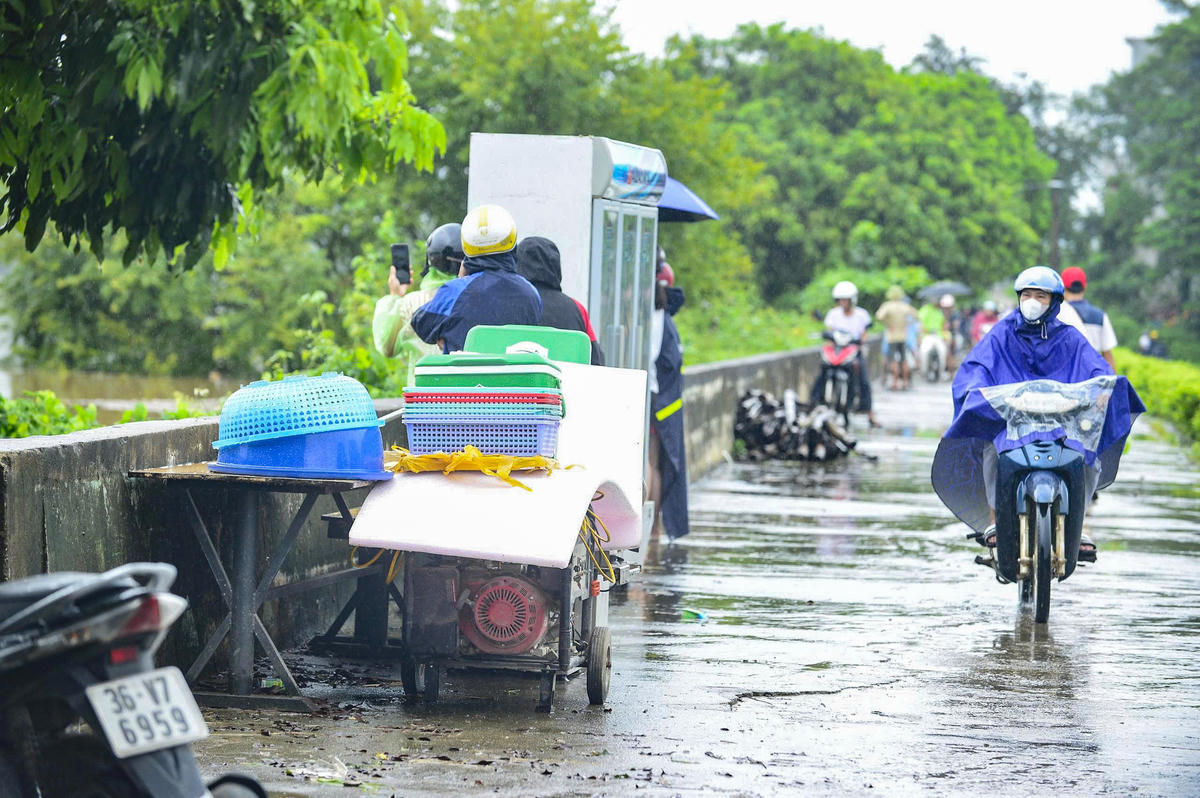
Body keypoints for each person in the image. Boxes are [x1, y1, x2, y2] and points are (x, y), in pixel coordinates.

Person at [952, 266, 1113, 554]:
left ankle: (1079, 524)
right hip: (1013, 419)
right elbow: (978, 366)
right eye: (1027, 295)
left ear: (1054, 302)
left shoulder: (1070, 338)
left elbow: (1096, 368)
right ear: (1018, 297)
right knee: (992, 448)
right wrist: (975, 389)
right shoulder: (1002, 333)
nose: (1032, 301)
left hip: (1062, 423)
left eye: (1041, 296)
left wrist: (1103, 390)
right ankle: (995, 520)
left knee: (1089, 456)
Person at [411, 204, 542, 353]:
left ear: (466, 245)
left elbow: (421, 323)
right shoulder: (531, 293)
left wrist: (461, 280)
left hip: (464, 369)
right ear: (512, 241)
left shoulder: (455, 291)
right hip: (515, 369)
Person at [372, 223, 462, 384]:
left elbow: (387, 346)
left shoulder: (411, 303)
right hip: (466, 394)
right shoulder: (474, 297)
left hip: (423, 395)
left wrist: (394, 295)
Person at [647, 255, 689, 540]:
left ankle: (645, 531)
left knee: (649, 464)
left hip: (647, 397)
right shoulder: (665, 318)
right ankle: (653, 531)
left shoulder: (643, 315)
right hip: (661, 401)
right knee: (657, 465)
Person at [514, 236, 604, 365]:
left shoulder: (510, 303)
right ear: (555, 267)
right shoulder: (577, 308)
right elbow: (596, 359)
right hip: (566, 377)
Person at [822, 280, 878, 426]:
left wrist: (860, 343)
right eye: (840, 299)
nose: (843, 302)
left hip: (853, 351)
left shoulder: (861, 314)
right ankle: (817, 403)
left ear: (852, 300)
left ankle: (870, 414)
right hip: (838, 352)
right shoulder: (833, 314)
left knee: (864, 381)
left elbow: (864, 334)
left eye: (845, 299)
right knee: (822, 372)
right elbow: (829, 333)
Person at [1060, 266, 1117, 370]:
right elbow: (1107, 354)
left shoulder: (1057, 314)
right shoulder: (1100, 315)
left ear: (1062, 287)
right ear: (1084, 287)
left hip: (1065, 374)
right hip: (1093, 374)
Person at [874, 285, 915, 390]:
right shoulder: (904, 306)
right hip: (903, 336)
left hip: (892, 336)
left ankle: (895, 383)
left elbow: (879, 316)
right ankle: (905, 382)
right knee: (904, 360)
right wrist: (906, 323)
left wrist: (887, 323)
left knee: (892, 360)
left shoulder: (888, 306)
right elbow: (916, 315)